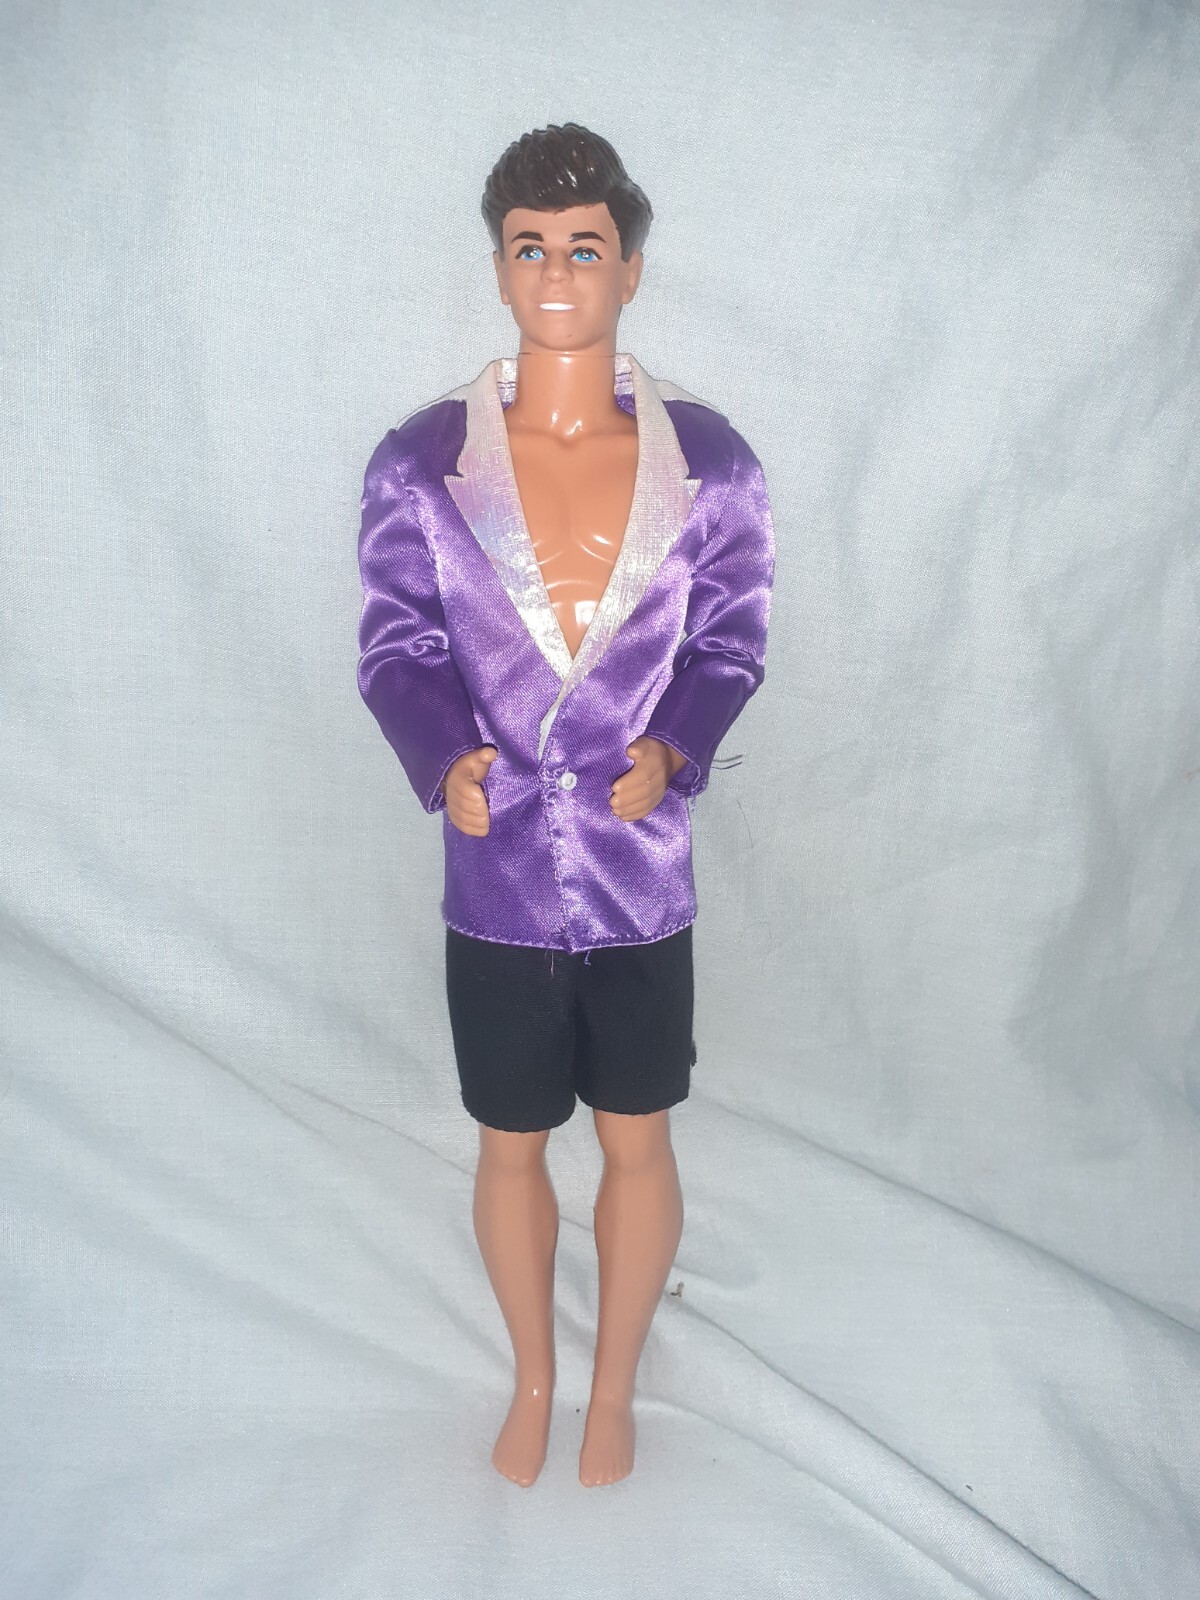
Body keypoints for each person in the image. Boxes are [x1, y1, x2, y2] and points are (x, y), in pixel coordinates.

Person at [356, 122, 774, 1488]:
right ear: (497, 266)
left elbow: (728, 642)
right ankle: (535, 1372)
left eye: (584, 248)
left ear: (631, 270)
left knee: (639, 1137)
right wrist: (443, 757)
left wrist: (678, 747)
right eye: (528, 246)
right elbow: (400, 643)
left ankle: (615, 1386)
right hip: (498, 884)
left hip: (641, 874)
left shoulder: (710, 466)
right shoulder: (420, 465)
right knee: (510, 1141)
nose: (554, 272)